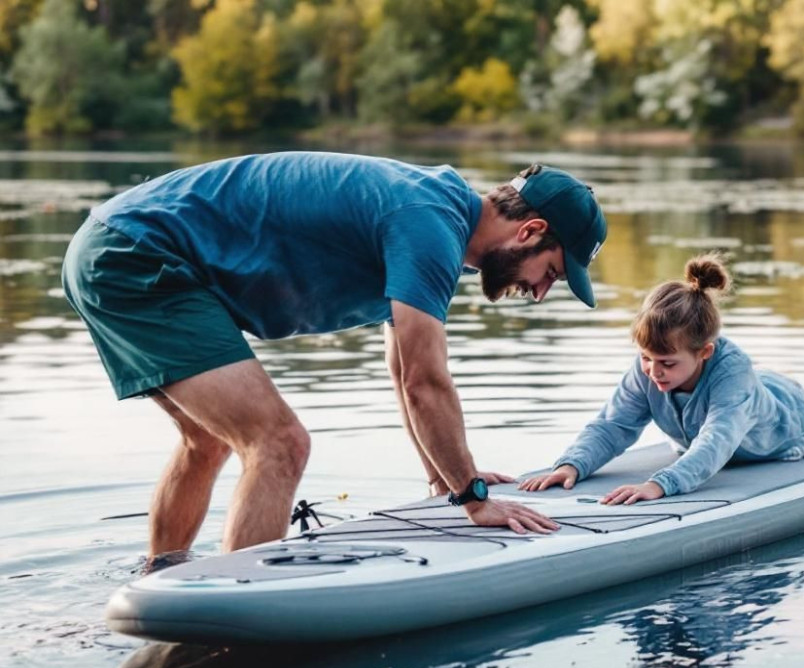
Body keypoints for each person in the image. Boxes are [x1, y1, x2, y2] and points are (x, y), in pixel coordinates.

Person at [62, 153, 607, 556]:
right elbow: (425, 382)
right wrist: (475, 498)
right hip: (138, 250)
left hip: (117, 242)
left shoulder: (434, 217)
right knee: (278, 443)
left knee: (207, 439)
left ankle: (165, 581)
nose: (539, 292)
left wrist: (446, 479)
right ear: (531, 230)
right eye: (552, 273)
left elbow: (401, 374)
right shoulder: (429, 226)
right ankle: (238, 619)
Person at [518, 253, 804, 504]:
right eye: (646, 358)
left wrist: (661, 484)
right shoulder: (649, 370)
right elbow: (613, 425)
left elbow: (717, 441)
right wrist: (572, 465)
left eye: (667, 363)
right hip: (735, 403)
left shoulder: (732, 372)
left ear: (704, 353)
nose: (654, 371)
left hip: (796, 425)